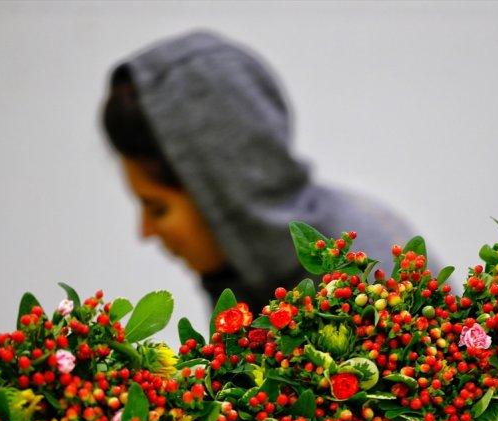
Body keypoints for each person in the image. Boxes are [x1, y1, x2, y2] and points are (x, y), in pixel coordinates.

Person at [102, 30, 426, 312]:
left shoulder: (366, 284)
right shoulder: (244, 274)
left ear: (221, 193)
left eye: (158, 208)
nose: (144, 232)